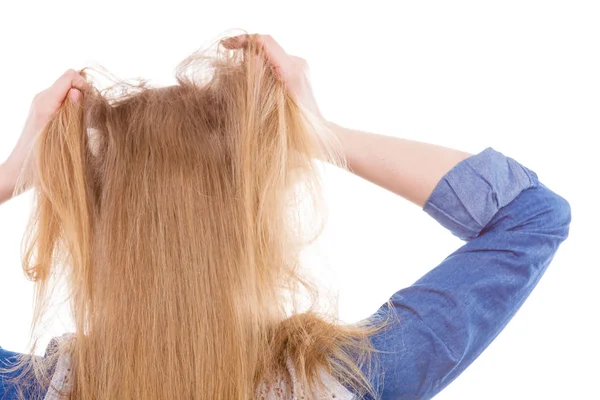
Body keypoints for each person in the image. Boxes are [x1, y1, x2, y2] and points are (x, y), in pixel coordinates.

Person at [0, 34, 570, 400]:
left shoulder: (38, 390)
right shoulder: (343, 381)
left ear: (95, 228)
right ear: (255, 228)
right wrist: (320, 133)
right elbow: (529, 217)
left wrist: (16, 173)